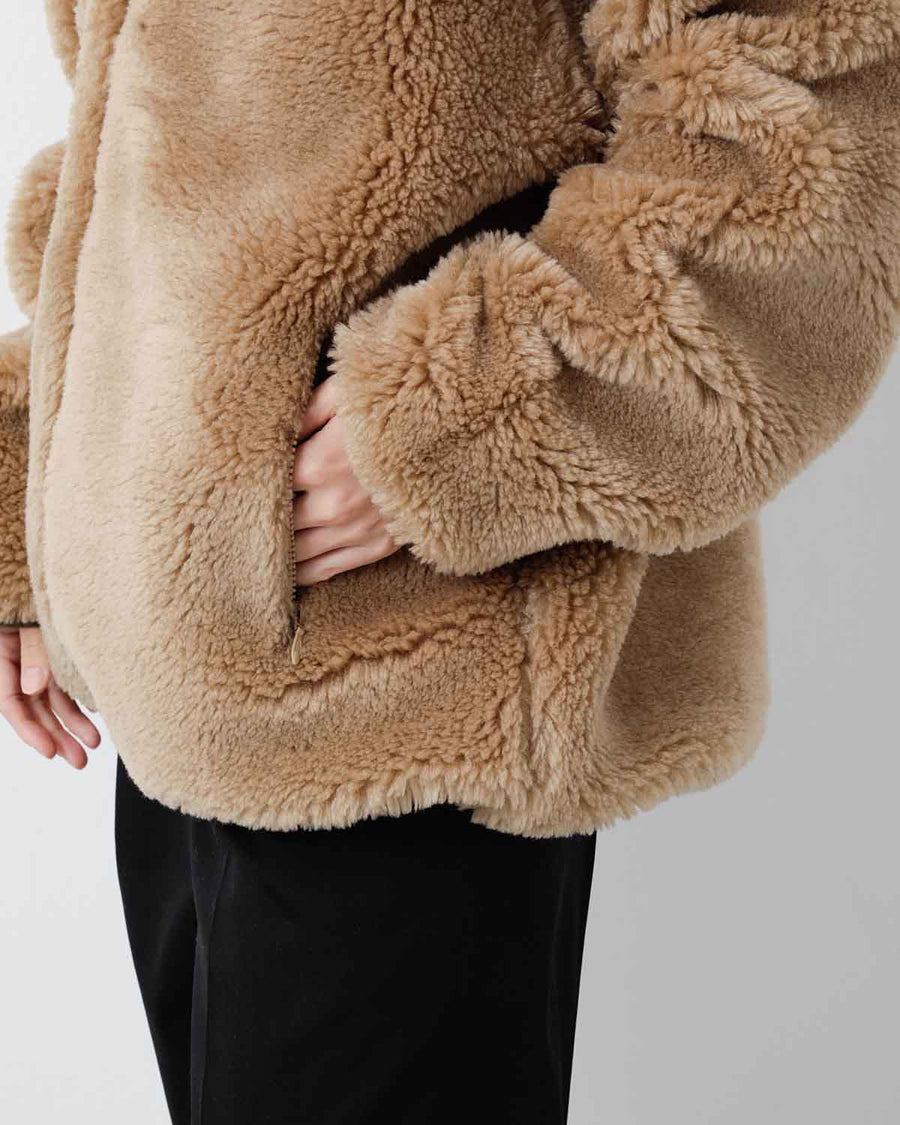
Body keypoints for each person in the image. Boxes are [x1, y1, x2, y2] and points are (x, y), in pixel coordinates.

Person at [1, 2, 898, 1122]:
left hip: (426, 702)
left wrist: (448, 425)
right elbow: (148, 161)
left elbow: (802, 145)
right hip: (181, 694)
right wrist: (38, 510)